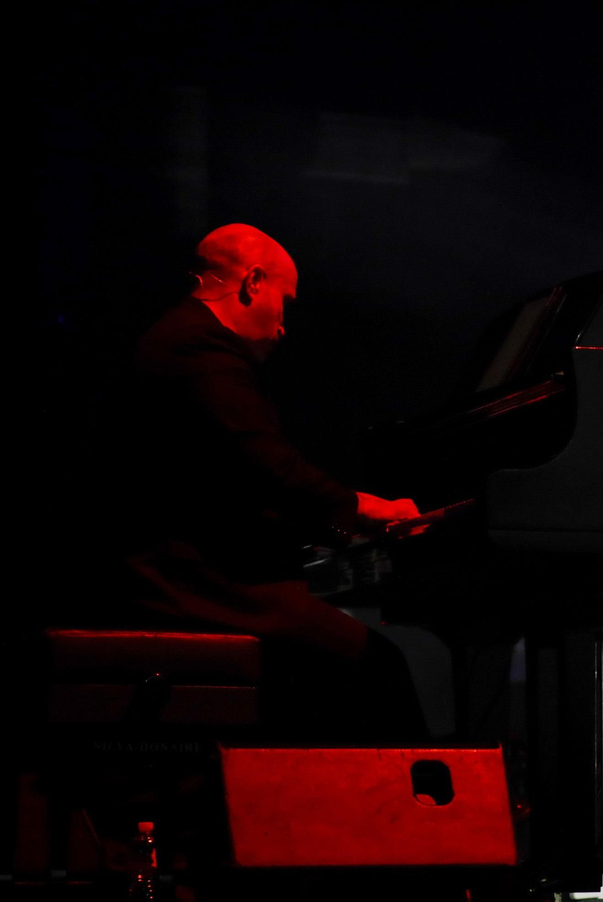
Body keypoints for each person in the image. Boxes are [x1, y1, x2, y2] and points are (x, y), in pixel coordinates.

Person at [114, 223, 426, 740]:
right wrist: (363, 509)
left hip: (204, 569)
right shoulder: (196, 349)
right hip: (190, 582)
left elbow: (236, 480)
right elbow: (266, 465)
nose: (284, 326)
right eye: (285, 302)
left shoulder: (185, 341)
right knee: (377, 667)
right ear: (253, 281)